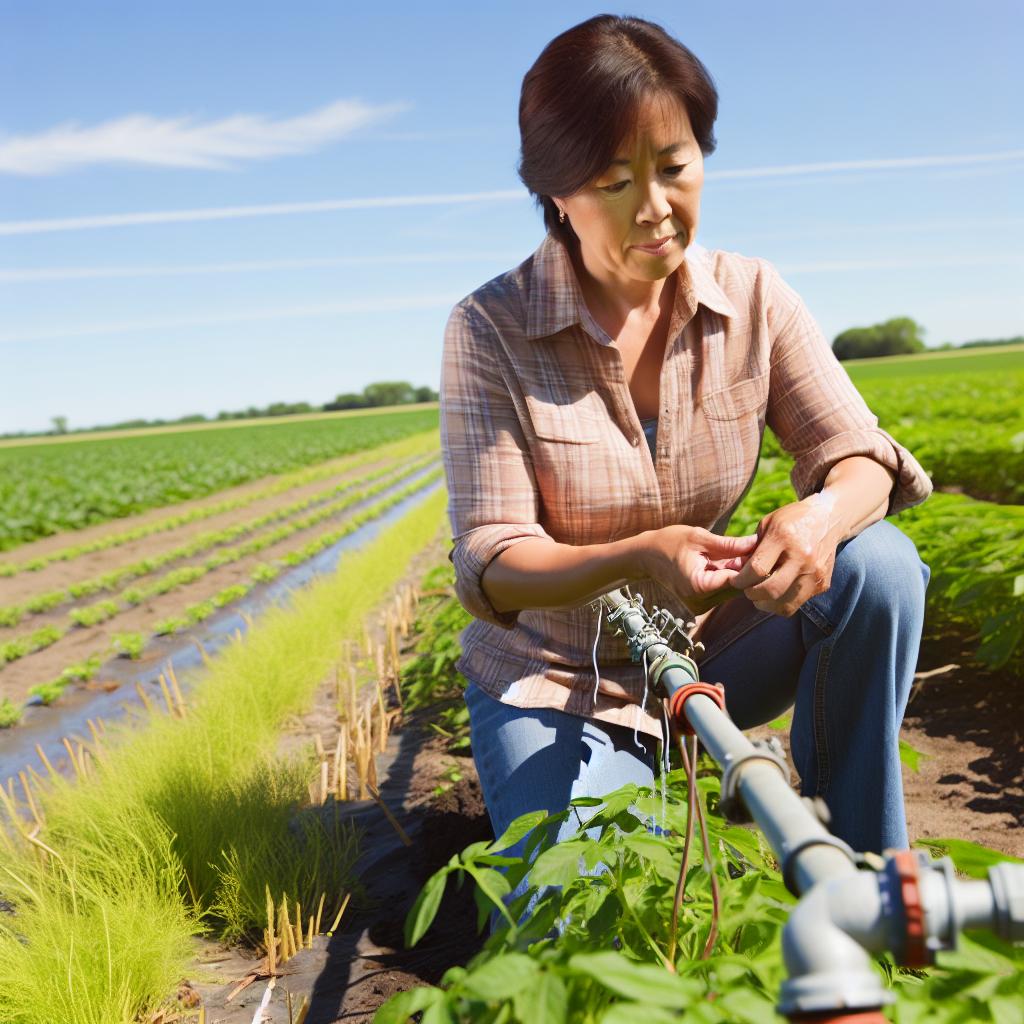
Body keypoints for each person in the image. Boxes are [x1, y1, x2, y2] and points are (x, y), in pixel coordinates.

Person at [439, 14, 933, 913]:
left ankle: (863, 878)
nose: (655, 207)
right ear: (556, 192)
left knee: (880, 567)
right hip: (561, 684)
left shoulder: (752, 295)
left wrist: (821, 517)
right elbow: (492, 562)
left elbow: (862, 458)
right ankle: (620, 779)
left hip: (717, 656)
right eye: (612, 180)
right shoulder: (491, 329)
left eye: (673, 166)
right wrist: (638, 555)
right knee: (581, 915)